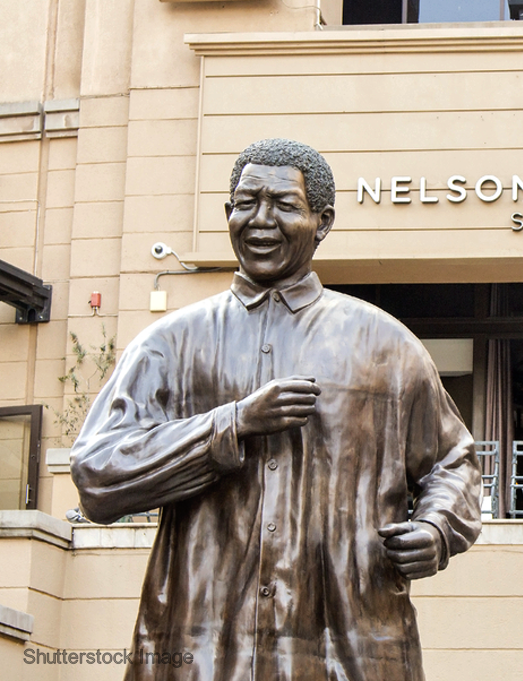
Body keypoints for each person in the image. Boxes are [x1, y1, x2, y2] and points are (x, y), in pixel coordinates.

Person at [71, 138, 481, 681]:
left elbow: (453, 463)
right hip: (203, 644)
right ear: (228, 214)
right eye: (246, 203)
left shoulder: (387, 345)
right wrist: (231, 424)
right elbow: (97, 475)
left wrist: (436, 529)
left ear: (322, 221)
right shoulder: (169, 344)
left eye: (284, 205)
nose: (261, 220)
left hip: (349, 643)